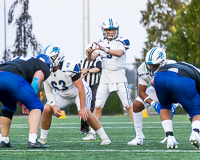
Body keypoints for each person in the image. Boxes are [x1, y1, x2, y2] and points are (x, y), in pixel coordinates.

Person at [38, 44, 111, 146]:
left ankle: (105, 138)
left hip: (78, 92)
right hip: (62, 94)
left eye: (51, 58)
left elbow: (80, 87)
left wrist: (82, 108)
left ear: (58, 57)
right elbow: (48, 91)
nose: (48, 61)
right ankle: (42, 139)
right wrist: (54, 106)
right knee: (47, 109)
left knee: (86, 113)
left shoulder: (69, 66)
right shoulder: (45, 71)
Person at [82, 18, 133, 141]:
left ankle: (139, 133)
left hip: (119, 75)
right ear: (104, 31)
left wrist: (104, 49)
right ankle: (93, 133)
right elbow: (90, 59)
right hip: (105, 77)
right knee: (98, 106)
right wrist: (88, 52)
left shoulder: (122, 41)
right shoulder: (100, 42)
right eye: (109, 29)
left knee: (128, 106)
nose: (111, 32)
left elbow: (119, 53)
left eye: (113, 29)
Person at [128, 47, 179, 145]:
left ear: (162, 63)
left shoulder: (172, 66)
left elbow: (178, 87)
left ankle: (196, 132)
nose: (151, 68)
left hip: (174, 91)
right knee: (137, 104)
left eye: (154, 65)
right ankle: (139, 136)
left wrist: (174, 104)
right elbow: (141, 92)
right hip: (156, 91)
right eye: (149, 65)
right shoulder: (142, 68)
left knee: (192, 106)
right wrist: (153, 103)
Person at [0, 54, 52, 148]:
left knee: (8, 106)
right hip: (12, 77)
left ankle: (4, 140)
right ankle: (32, 140)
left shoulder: (23, 61)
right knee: (36, 105)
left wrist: (23, 102)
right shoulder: (42, 65)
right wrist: (29, 102)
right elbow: (36, 80)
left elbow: (14, 91)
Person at [153, 62, 200, 149]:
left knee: (165, 107)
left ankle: (170, 138)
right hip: (182, 79)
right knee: (197, 111)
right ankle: (195, 133)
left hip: (159, 76)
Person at [79, 56, 102, 134]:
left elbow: (98, 69)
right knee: (84, 106)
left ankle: (94, 128)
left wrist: (87, 70)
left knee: (93, 106)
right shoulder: (82, 61)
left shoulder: (97, 61)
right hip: (84, 86)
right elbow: (77, 70)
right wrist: (82, 72)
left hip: (93, 86)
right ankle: (84, 129)